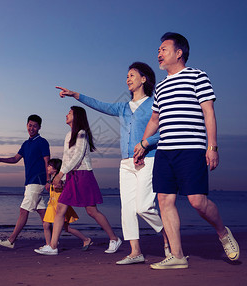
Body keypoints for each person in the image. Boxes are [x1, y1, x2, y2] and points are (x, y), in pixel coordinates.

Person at [134, 32, 240, 269]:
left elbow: (208, 112)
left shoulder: (197, 76)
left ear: (179, 52)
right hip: (165, 152)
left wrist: (212, 147)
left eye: (163, 49)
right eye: (158, 50)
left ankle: (223, 233)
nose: (158, 53)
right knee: (164, 200)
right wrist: (143, 143)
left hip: (191, 149)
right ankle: (178, 255)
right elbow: (154, 119)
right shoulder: (160, 87)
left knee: (197, 201)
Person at [56, 62, 169, 265]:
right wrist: (76, 95)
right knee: (127, 209)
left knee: (143, 207)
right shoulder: (123, 107)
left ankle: (168, 235)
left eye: (132, 75)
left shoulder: (153, 103)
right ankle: (135, 252)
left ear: (144, 79)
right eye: (127, 75)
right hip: (125, 163)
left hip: (148, 160)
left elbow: (164, 132)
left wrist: (146, 143)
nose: (127, 78)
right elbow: (101, 105)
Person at [35, 106, 122, 255]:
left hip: (83, 175)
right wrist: (61, 176)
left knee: (92, 211)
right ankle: (53, 246)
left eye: (69, 113)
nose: (66, 114)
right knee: (60, 208)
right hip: (71, 176)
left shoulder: (82, 133)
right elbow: (67, 158)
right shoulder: (68, 135)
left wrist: (60, 173)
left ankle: (114, 239)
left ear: (77, 116)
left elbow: (78, 156)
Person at [0, 114, 50, 249]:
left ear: (39, 127)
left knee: (23, 211)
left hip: (37, 181)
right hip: (30, 182)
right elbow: (15, 159)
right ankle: (52, 241)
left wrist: (49, 180)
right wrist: (0, 159)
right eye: (30, 125)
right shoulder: (26, 144)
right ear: (26, 126)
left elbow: (47, 161)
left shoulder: (42, 142)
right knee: (43, 214)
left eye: (35, 126)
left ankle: (11, 240)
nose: (32, 128)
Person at [34, 158, 93, 253]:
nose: (47, 167)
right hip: (51, 204)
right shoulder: (52, 178)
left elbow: (62, 186)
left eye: (50, 166)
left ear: (55, 169)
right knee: (46, 224)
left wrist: (59, 186)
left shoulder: (60, 178)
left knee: (67, 228)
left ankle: (86, 239)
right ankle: (49, 245)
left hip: (60, 205)